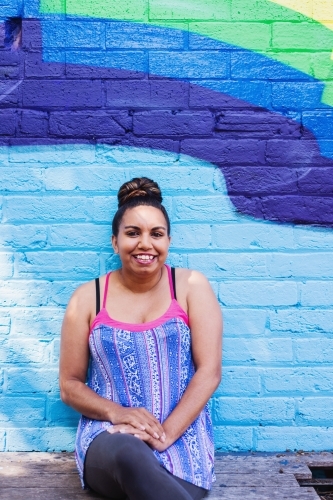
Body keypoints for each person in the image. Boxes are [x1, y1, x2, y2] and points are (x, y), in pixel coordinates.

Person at [59, 177, 223, 500]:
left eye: (156, 234)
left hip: (182, 445)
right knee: (129, 453)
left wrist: (164, 435)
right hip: (110, 441)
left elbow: (210, 372)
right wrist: (119, 413)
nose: (145, 244)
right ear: (114, 241)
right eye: (133, 233)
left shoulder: (191, 287)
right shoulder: (88, 298)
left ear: (168, 240)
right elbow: (70, 385)